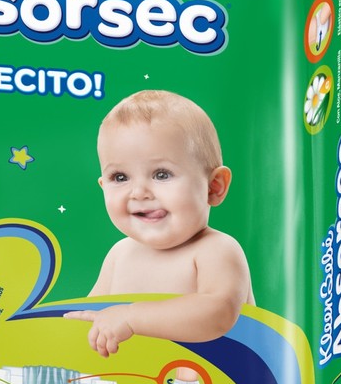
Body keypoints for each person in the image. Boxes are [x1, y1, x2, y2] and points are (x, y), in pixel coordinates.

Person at [65, 90, 254, 357]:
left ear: (214, 186)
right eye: (120, 177)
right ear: (103, 186)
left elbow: (218, 314)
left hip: (216, 381)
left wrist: (131, 317)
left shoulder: (216, 249)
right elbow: (94, 317)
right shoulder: (119, 254)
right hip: (137, 380)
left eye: (161, 174)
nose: (139, 192)